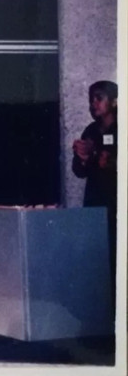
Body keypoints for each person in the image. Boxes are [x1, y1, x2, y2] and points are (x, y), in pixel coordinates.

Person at [72, 80, 118, 281]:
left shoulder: (123, 128)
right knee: (96, 258)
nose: (94, 103)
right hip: (94, 203)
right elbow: (78, 172)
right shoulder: (90, 131)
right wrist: (82, 158)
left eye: (99, 98)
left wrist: (109, 161)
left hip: (117, 205)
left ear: (114, 101)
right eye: (91, 99)